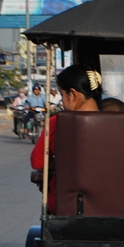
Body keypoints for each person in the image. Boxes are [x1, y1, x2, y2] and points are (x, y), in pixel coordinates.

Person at [30, 65, 103, 214]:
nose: (62, 101)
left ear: (73, 94)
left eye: (62, 95)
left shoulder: (57, 123)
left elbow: (37, 162)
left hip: (67, 207)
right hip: (111, 205)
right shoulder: (118, 122)